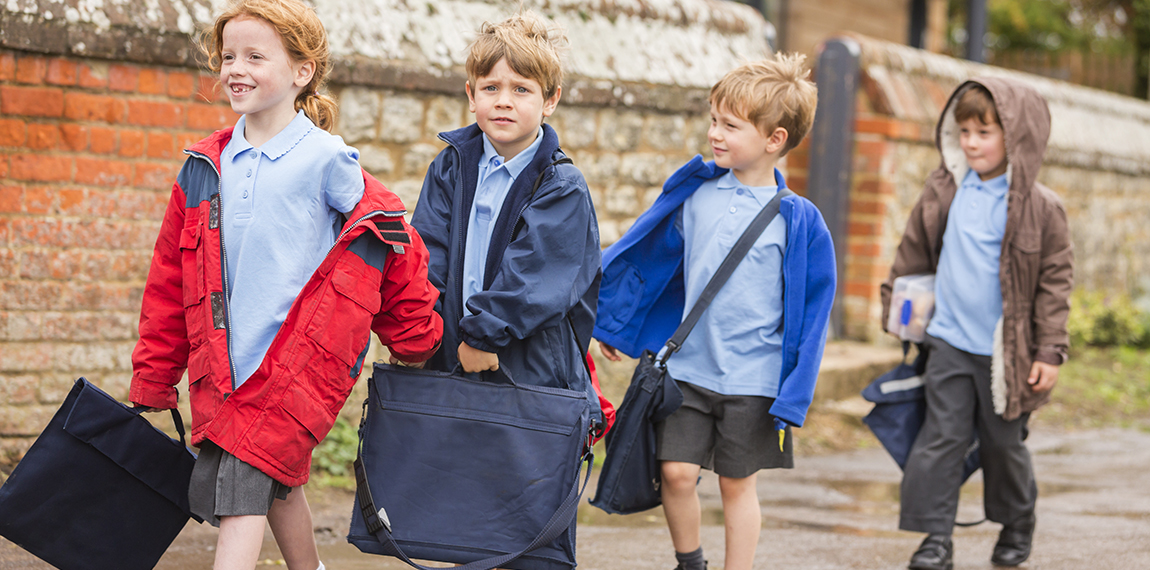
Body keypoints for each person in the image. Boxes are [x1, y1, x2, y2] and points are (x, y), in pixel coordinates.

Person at [128, 1, 443, 569]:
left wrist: (415, 334)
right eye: (227, 57)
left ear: (302, 72)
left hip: (294, 370)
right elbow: (169, 279)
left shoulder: (326, 160)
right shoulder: (205, 166)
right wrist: (155, 374)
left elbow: (392, 243)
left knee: (239, 500)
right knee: (279, 481)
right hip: (221, 368)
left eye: (254, 56)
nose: (235, 69)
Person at [593, 54, 836, 570]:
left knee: (735, 483)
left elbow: (815, 313)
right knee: (676, 473)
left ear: (775, 139)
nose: (715, 133)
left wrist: (795, 394)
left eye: (730, 125)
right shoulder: (696, 192)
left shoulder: (800, 221)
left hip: (754, 377)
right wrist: (618, 325)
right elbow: (652, 263)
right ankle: (691, 563)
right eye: (713, 120)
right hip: (687, 370)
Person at [880, 77, 1073, 570]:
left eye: (984, 133)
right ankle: (935, 539)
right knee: (939, 438)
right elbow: (914, 253)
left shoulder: (1042, 208)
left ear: (1016, 135)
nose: (970, 142)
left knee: (1002, 443)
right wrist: (896, 306)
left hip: (1007, 352)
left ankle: (1017, 521)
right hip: (947, 341)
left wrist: (1049, 351)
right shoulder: (944, 187)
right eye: (964, 130)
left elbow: (1055, 284)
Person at [410, 11, 601, 399]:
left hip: (526, 370)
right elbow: (428, 250)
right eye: (491, 88)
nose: (504, 102)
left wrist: (483, 336)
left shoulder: (562, 186)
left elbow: (535, 277)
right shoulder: (450, 166)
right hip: (449, 357)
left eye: (521, 90)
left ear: (550, 100)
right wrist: (419, 331)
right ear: (471, 94)